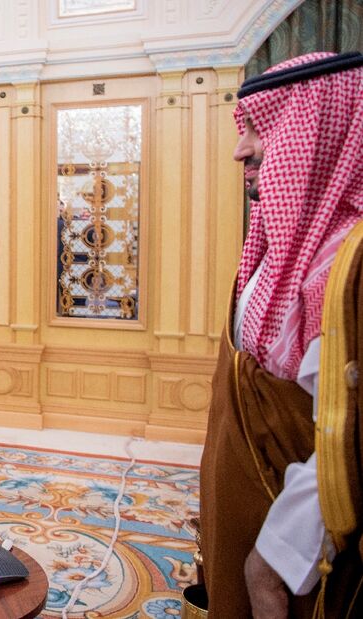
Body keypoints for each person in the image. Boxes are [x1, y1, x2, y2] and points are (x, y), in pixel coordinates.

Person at [200, 51, 363, 618]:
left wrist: (272, 559)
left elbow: (347, 443)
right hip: (249, 503)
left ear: (313, 133)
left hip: (292, 555)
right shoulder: (288, 247)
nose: (241, 149)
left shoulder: (345, 267)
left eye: (257, 129)